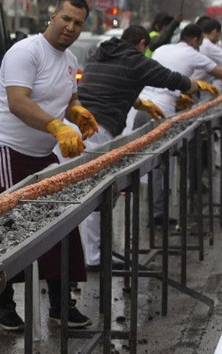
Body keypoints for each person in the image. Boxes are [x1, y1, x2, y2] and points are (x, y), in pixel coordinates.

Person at [0, 0, 98, 330]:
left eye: (78, 23)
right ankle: (2, 306)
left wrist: (76, 111)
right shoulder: (26, 52)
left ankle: (61, 304)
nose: (71, 27)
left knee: (61, 223)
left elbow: (69, 96)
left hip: (40, 154)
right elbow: (18, 102)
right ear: (52, 16)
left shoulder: (70, 60)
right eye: (66, 19)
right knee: (6, 229)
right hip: (5, 150)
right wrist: (57, 125)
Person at [74, 25, 211, 269]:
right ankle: (93, 257)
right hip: (96, 129)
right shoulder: (136, 60)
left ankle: (92, 253)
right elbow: (171, 78)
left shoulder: (102, 53)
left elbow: (115, 86)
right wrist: (197, 86)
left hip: (76, 123)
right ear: (142, 45)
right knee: (95, 195)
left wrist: (141, 103)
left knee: (85, 193)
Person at [133, 23, 222, 226]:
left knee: (139, 163)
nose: (199, 47)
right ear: (194, 40)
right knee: (162, 163)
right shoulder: (193, 54)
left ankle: (146, 213)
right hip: (162, 110)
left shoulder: (162, 49)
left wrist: (182, 94)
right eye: (199, 44)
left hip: (141, 106)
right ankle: (158, 214)